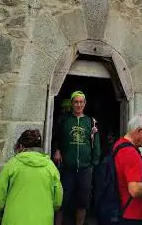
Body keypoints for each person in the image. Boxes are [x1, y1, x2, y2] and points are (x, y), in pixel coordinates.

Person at [0, 129, 63, 225]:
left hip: (14, 220)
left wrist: (0, 210)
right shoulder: (51, 167)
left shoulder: (13, 164)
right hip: (43, 220)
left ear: (21, 146)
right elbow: (57, 200)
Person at [53, 91, 100, 225]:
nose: (78, 104)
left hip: (85, 168)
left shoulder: (90, 121)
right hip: (67, 166)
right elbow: (56, 136)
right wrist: (57, 150)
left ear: (85, 104)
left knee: (83, 201)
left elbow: (96, 142)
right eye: (76, 102)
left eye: (81, 102)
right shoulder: (64, 119)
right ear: (72, 103)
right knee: (62, 199)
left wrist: (94, 162)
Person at [113, 113, 142, 225]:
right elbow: (135, 189)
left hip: (121, 210)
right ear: (139, 130)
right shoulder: (131, 153)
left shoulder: (119, 144)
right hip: (133, 214)